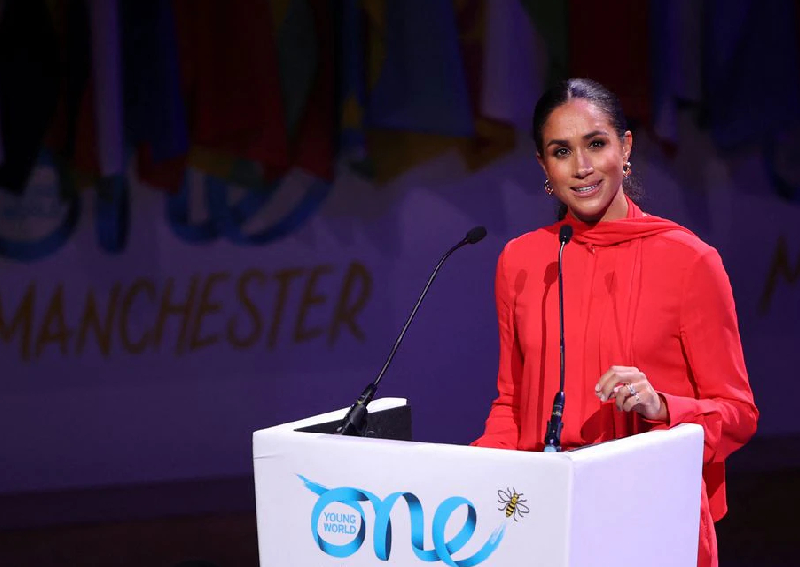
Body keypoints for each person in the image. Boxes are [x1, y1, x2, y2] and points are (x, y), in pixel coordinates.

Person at [472, 78, 758, 567]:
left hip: (650, 517)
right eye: (561, 151)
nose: (582, 167)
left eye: (596, 144)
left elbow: (738, 414)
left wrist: (661, 406)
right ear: (544, 166)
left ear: (625, 148)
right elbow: (512, 405)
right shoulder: (521, 261)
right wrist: (467, 477)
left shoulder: (690, 261)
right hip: (545, 518)